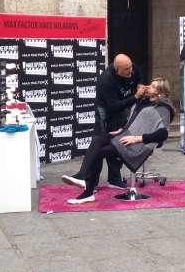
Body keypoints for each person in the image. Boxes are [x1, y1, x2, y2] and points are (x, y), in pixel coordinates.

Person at [62, 78, 175, 204]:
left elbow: (163, 134)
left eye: (153, 86)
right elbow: (133, 121)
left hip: (138, 146)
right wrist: (122, 129)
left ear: (161, 92)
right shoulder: (144, 102)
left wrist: (137, 138)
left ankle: (87, 190)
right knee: (98, 139)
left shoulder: (163, 108)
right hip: (125, 137)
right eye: (150, 84)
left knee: (99, 152)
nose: (148, 87)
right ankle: (82, 178)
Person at [72, 53, 145, 188]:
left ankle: (114, 179)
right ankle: (88, 182)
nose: (131, 71)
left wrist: (139, 85)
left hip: (121, 112)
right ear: (117, 69)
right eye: (126, 70)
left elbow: (139, 75)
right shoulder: (106, 80)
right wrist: (135, 97)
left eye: (130, 67)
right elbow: (113, 106)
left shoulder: (131, 67)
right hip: (105, 113)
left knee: (117, 145)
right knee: (98, 143)